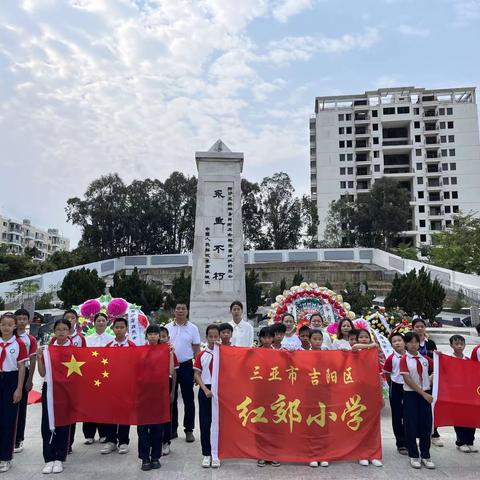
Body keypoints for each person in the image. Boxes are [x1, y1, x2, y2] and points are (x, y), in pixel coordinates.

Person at [37, 319, 73, 474]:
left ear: (69, 331)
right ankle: (48, 457)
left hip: (67, 391)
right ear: (54, 331)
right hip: (50, 388)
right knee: (47, 422)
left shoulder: (75, 350)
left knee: (64, 423)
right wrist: (39, 358)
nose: (61, 332)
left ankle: (60, 457)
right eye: (58, 329)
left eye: (65, 329)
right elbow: (43, 373)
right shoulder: (48, 349)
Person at [399, 331, 435, 470]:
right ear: (406, 344)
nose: (413, 345)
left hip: (425, 394)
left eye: (415, 342)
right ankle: (414, 455)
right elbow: (407, 379)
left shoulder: (425, 359)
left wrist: (431, 378)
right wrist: (423, 393)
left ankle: (425, 455)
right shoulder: (404, 359)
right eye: (410, 342)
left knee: (426, 426)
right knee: (411, 425)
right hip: (411, 395)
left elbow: (436, 368)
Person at [165, 303, 200, 443]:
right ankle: (172, 428)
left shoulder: (193, 328)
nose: (180, 311)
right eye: (177, 308)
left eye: (183, 309)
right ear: (174, 310)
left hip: (186, 366)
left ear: (187, 311)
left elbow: (196, 349)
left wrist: (198, 369)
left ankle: (189, 429)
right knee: (170, 397)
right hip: (169, 366)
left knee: (188, 399)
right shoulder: (167, 327)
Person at [101, 318, 136, 455]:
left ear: (126, 329)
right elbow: (103, 365)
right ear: (113, 329)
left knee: (124, 414)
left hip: (126, 386)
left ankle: (123, 442)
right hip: (111, 386)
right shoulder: (109, 346)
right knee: (110, 414)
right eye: (117, 327)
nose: (119, 330)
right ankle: (111, 441)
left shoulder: (132, 346)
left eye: (122, 327)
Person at [0, 314, 27, 473]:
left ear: (15, 327)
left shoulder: (18, 344)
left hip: (11, 380)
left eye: (10, 325)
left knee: (8, 420)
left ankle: (6, 457)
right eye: (3, 324)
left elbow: (22, 367)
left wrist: (19, 389)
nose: (6, 327)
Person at [137, 325, 165, 471]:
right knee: (142, 428)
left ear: (159, 336)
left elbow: (171, 372)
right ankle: (144, 458)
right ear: (147, 335)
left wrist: (171, 355)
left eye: (156, 334)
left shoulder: (166, 350)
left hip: (158, 394)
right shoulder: (140, 351)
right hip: (142, 394)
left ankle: (155, 456)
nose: (153, 336)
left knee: (157, 427)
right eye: (150, 334)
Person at [83, 313, 113, 445]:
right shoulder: (87, 339)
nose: (101, 323)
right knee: (89, 404)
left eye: (103, 320)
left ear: (107, 323)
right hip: (91, 375)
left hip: (106, 375)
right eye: (98, 320)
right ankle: (89, 434)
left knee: (104, 404)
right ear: (93, 323)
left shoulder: (112, 339)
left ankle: (104, 433)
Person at [412, 318, 443, 447]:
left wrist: (432, 375)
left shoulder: (430, 343)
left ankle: (434, 434)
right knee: (418, 409)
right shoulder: (411, 343)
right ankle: (420, 435)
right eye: (417, 326)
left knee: (431, 406)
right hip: (415, 380)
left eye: (422, 326)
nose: (419, 329)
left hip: (430, 380)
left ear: (425, 328)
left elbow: (435, 362)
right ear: (413, 328)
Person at [194, 324, 221, 469]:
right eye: (210, 336)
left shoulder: (224, 354)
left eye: (216, 336)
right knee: (205, 423)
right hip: (206, 390)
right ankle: (206, 453)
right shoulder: (201, 354)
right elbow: (197, 374)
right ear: (206, 337)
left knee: (219, 423)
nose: (213, 339)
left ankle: (217, 454)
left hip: (220, 392)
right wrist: (205, 389)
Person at [13, 308, 37, 454]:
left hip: (23, 372)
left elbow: (32, 360)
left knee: (20, 408)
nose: (21, 321)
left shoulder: (30, 340)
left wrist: (30, 379)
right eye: (19, 318)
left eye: (24, 318)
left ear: (28, 321)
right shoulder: (7, 335)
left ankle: (18, 439)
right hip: (7, 372)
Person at [449, 334, 477, 453]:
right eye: (456, 344)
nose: (459, 346)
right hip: (456, 393)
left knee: (471, 418)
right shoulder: (448, 359)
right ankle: (461, 442)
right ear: (451, 345)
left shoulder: (468, 360)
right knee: (459, 418)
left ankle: (470, 441)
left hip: (468, 394)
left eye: (461, 344)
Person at [383, 332, 407, 455]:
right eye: (394, 341)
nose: (397, 343)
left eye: (399, 340)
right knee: (397, 416)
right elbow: (387, 374)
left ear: (404, 342)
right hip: (396, 386)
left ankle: (409, 439)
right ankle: (401, 443)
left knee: (409, 415)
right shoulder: (391, 358)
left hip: (410, 387)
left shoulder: (411, 356)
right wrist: (392, 384)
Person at [158, 326, 178, 456]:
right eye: (158, 335)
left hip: (167, 385)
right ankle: (156, 441)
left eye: (164, 336)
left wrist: (172, 392)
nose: (161, 338)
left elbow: (173, 373)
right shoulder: (147, 350)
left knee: (166, 415)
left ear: (168, 338)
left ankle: (166, 442)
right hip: (152, 388)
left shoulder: (171, 352)